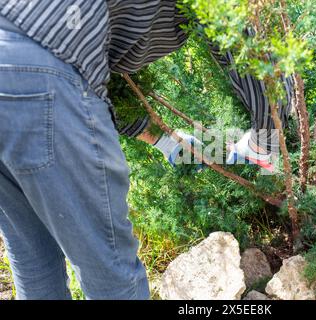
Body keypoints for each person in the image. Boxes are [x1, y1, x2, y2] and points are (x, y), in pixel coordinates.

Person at [0, 0, 293, 300]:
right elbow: (240, 33)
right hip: (43, 71)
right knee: (111, 273)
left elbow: (96, 70)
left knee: (34, 256)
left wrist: (162, 140)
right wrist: (265, 138)